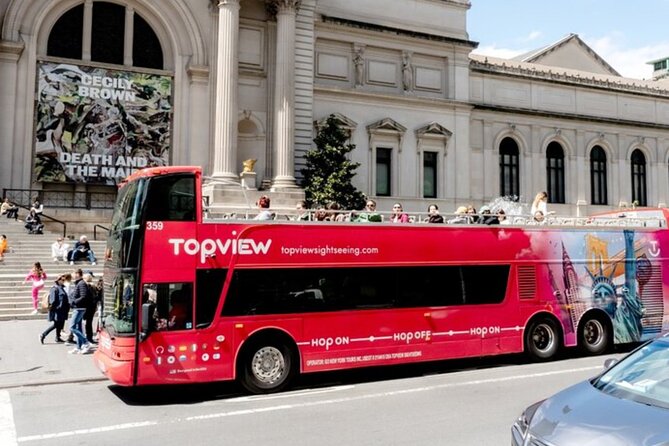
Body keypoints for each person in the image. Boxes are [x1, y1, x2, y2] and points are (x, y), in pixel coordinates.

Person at [67, 269, 93, 354]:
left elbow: (83, 296)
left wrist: (74, 302)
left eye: (73, 273)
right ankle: (78, 347)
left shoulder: (81, 283)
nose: (72, 275)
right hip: (78, 308)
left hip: (79, 308)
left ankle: (86, 342)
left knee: (72, 327)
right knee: (78, 327)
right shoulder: (79, 283)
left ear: (77, 274)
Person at [39, 275, 70, 344]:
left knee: (60, 323)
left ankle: (58, 337)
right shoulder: (54, 288)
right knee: (56, 324)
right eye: (62, 280)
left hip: (62, 310)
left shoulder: (62, 288)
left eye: (64, 280)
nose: (63, 281)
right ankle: (43, 335)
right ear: (58, 280)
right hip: (57, 310)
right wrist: (56, 308)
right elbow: (52, 301)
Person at [83, 271, 99, 344]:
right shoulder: (93, 286)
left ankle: (88, 338)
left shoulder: (87, 286)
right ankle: (89, 337)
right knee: (89, 323)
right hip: (92, 307)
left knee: (87, 323)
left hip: (88, 307)